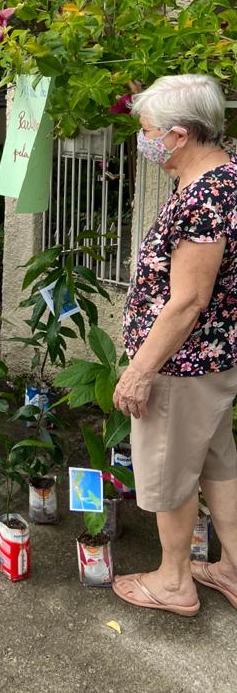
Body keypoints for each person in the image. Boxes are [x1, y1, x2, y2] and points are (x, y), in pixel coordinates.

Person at [112, 74, 237, 617]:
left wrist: (140, 370)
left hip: (181, 365)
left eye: (148, 131)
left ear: (179, 135)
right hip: (217, 357)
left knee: (171, 471)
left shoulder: (202, 197)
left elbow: (187, 301)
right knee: (217, 463)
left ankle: (173, 582)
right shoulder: (227, 176)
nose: (144, 140)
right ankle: (232, 568)